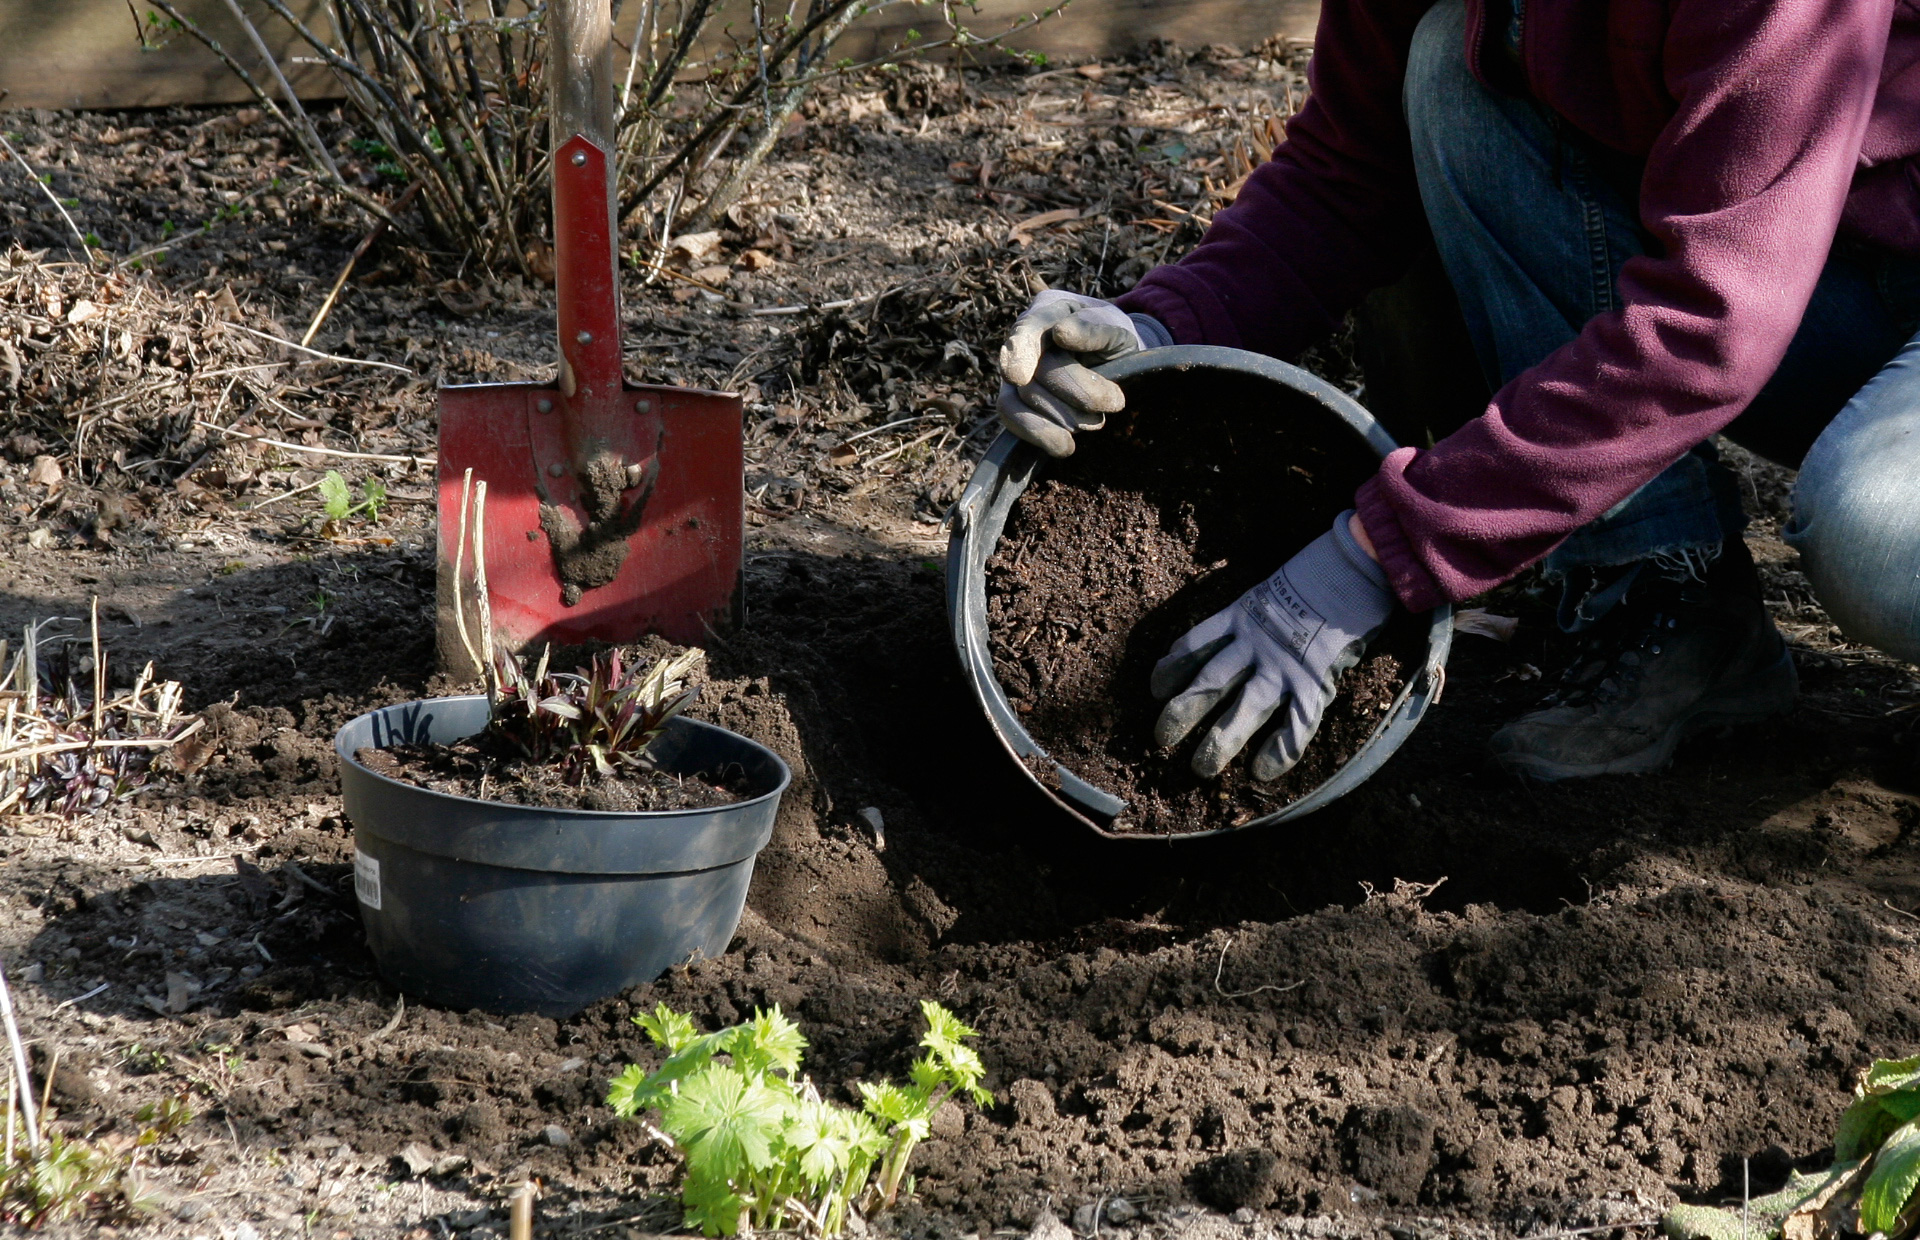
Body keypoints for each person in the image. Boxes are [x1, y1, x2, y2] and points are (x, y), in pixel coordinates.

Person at [995, 0, 1920, 782]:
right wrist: (1162, 330)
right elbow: (1345, 173)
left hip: (1861, 281)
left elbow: (1712, 322)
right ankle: (1668, 601)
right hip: (1795, 257)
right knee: (1450, 69)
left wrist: (1376, 552)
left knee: (1873, 535)